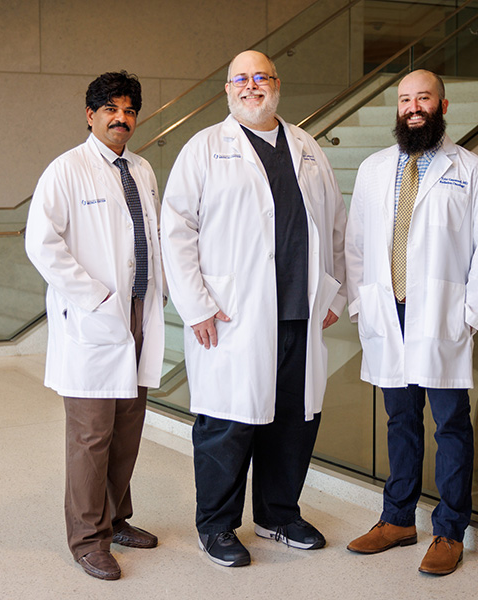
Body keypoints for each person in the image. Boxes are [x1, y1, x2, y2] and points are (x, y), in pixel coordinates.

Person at [160, 50, 346, 568]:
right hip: (231, 315)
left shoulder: (307, 147)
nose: (250, 86)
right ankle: (216, 526)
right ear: (226, 90)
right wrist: (196, 305)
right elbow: (176, 231)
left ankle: (277, 515)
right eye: (240, 79)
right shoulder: (204, 148)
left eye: (260, 76)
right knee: (227, 422)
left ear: (277, 84)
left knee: (293, 419)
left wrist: (335, 293)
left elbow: (336, 225)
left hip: (298, 313)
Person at [344, 69, 478, 575]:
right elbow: (355, 244)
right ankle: (397, 520)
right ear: (398, 109)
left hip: (440, 316)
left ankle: (449, 530)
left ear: (442, 105)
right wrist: (359, 303)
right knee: (400, 420)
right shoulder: (372, 169)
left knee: (451, 424)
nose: (414, 106)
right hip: (388, 311)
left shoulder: (473, 170)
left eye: (424, 98)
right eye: (405, 99)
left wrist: (471, 316)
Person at [25, 71, 165, 581]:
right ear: (91, 114)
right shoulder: (67, 170)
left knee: (128, 427)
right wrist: (96, 296)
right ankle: (87, 539)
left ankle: (116, 519)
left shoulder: (142, 169)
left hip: (138, 312)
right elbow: (41, 243)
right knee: (92, 434)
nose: (120, 119)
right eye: (110, 109)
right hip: (95, 314)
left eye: (129, 110)